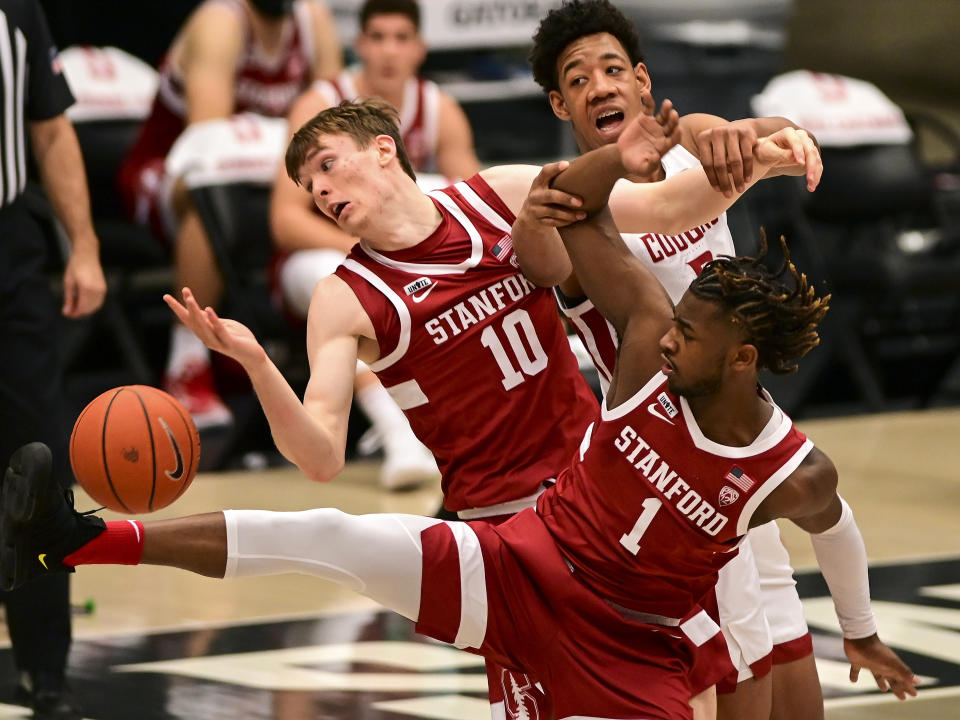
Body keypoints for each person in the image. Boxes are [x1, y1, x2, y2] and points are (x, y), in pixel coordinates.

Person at [0, 105, 919, 718]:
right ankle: (78, 537)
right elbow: (318, 454)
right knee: (332, 533)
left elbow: (658, 203)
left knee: (744, 680)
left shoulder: (499, 195)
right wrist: (252, 362)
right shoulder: (345, 295)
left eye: (327, 165)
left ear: (383, 149)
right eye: (308, 187)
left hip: (612, 506)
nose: (321, 191)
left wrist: (759, 155)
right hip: (504, 532)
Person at [513, 2, 879, 717]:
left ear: (644, 82)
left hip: (734, 457)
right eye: (578, 79)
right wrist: (752, 164)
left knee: (799, 700)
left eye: (613, 69)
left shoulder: (696, 141)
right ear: (561, 104)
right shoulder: (572, 201)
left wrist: (770, 139)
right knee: (729, 697)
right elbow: (542, 255)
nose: (601, 86)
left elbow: (775, 133)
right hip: (663, 482)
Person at [269, 0, 480, 490]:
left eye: (401, 38)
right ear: (359, 45)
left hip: (410, 254)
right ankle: (398, 433)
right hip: (322, 257)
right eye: (378, 38)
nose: (388, 51)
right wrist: (372, 256)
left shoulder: (439, 109)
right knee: (352, 289)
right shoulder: (318, 103)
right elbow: (284, 220)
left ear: (420, 48)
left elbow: (473, 203)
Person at [117, 0, 342, 429]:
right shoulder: (220, 22)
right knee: (210, 199)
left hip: (268, 174)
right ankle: (186, 362)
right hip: (170, 170)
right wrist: (294, 140)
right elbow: (211, 142)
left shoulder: (314, 22)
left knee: (334, 182)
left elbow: (334, 125)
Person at [0, 1, 107, 717]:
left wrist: (85, 243)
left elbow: (49, 125)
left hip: (10, 250)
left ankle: (48, 672)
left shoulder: (17, 8)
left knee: (39, 462)